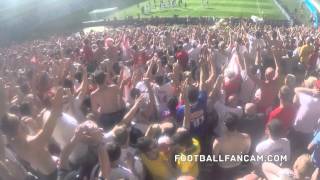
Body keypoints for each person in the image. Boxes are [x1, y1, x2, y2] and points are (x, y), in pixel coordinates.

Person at [0, 88, 63, 179]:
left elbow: (41, 145)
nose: (22, 120)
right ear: (19, 127)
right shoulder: (30, 142)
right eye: (19, 119)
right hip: (53, 175)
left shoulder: (14, 142)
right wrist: (56, 108)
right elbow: (47, 133)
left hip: (44, 173)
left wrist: (34, 126)